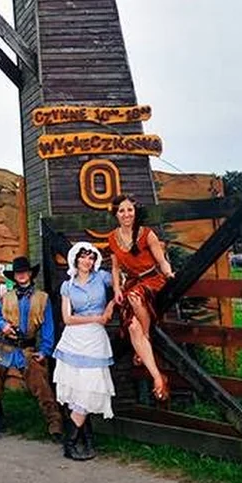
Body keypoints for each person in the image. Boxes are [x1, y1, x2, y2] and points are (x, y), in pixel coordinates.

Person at [0, 256, 63, 442]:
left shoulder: (42, 299)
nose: (21, 275)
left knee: (42, 387)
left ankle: (55, 427)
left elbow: (48, 328)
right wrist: (2, 325)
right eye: (18, 273)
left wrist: (44, 351)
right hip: (3, 347)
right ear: (14, 276)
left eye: (24, 272)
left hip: (26, 349)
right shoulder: (6, 298)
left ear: (30, 274)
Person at [108, 194, 175, 401]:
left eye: (129, 210)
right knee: (131, 327)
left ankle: (146, 336)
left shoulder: (147, 234)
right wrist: (117, 289)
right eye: (122, 211)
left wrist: (169, 273)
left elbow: (161, 260)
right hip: (132, 282)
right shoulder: (112, 238)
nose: (126, 214)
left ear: (135, 212)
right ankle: (158, 378)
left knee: (135, 297)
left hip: (152, 280)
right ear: (116, 214)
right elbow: (115, 267)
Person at [53, 242, 116, 461]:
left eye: (91, 257)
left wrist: (110, 306)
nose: (87, 261)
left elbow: (121, 285)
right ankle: (76, 443)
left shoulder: (102, 278)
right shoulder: (67, 286)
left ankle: (76, 441)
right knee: (78, 392)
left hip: (95, 339)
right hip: (74, 339)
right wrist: (97, 317)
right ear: (75, 259)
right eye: (83, 257)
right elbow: (67, 318)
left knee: (90, 389)